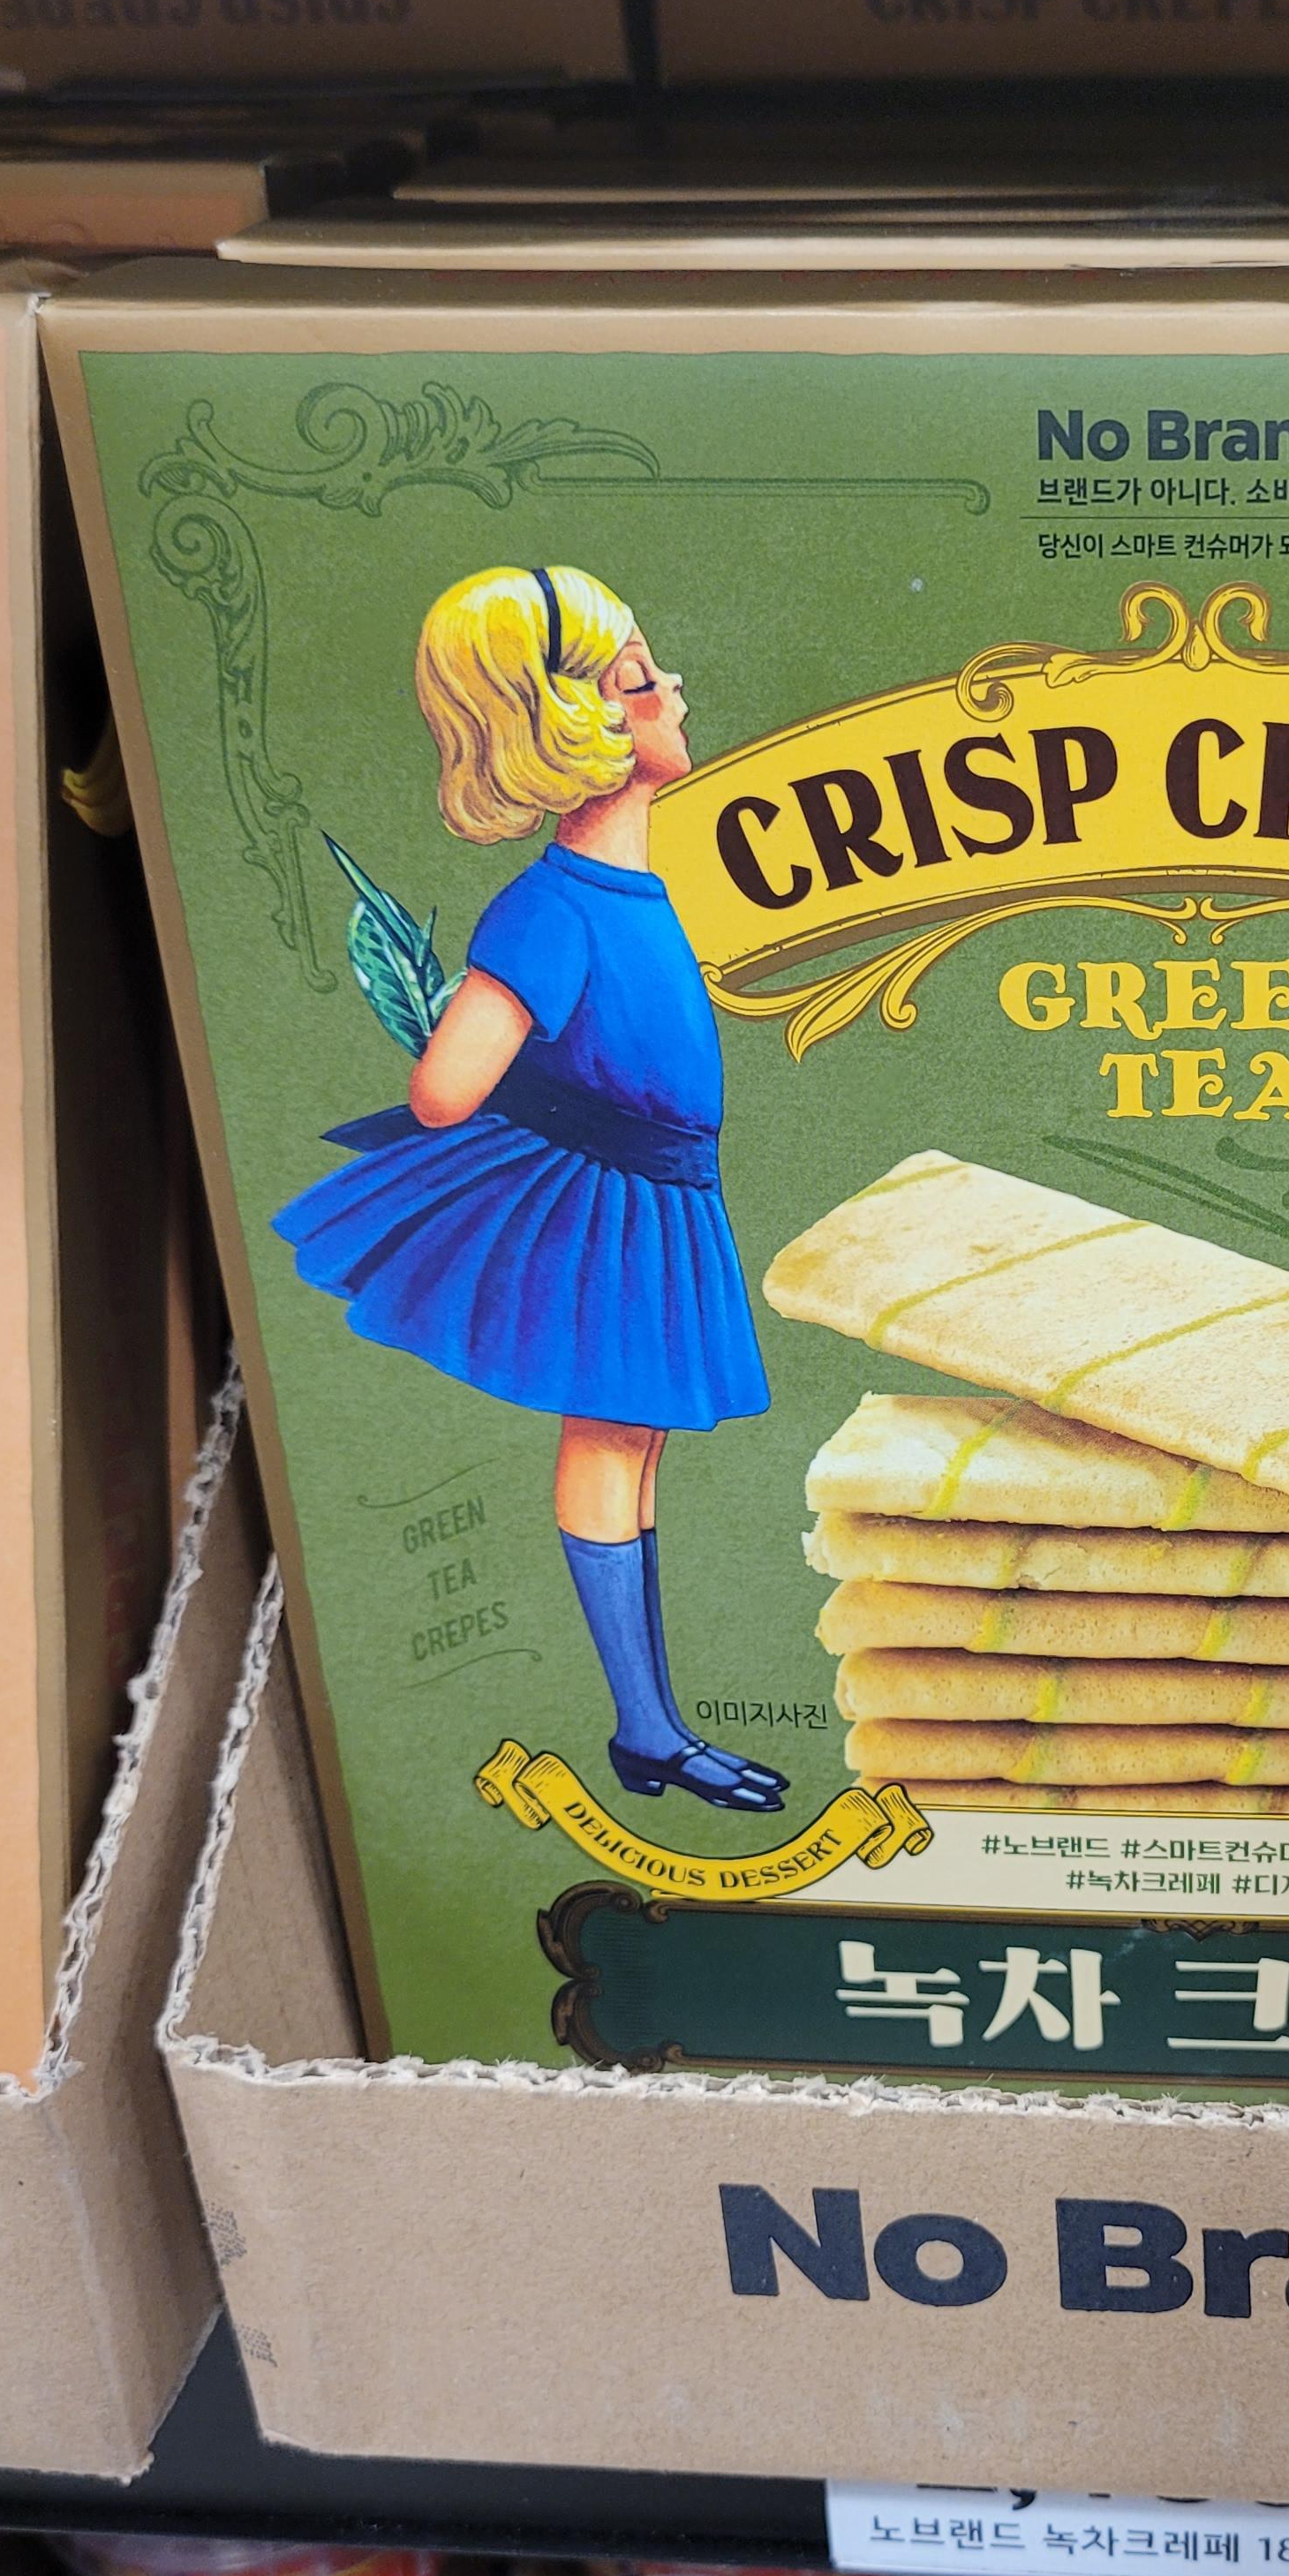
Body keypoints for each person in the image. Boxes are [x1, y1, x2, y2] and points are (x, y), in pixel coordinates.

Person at [275, 564, 782, 1813]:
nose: (672, 688)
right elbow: (447, 1089)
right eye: (638, 674)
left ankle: (653, 1724)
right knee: (609, 1444)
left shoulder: (628, 888)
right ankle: (648, 1730)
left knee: (636, 1447)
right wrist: (537, 1070)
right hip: (604, 1207)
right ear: (577, 720)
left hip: (666, 1198)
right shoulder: (549, 910)